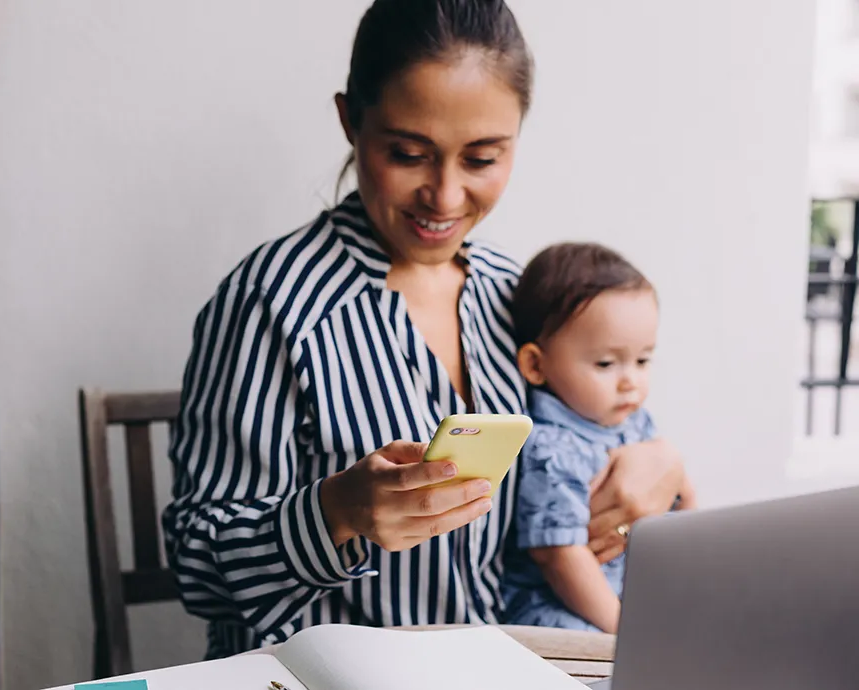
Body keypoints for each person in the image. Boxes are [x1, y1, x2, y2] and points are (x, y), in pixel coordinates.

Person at [162, 0, 688, 659]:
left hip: (494, 662)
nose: (444, 197)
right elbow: (194, 566)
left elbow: (600, 417)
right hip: (315, 674)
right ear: (350, 120)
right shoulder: (270, 302)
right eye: (409, 154)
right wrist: (335, 514)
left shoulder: (514, 290)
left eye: (481, 159)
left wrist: (657, 458)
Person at [502, 243, 697, 633]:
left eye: (643, 360)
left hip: (628, 595)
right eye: (606, 363)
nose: (631, 381)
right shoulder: (550, 449)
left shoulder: (634, 422)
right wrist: (624, 632)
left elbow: (684, 497)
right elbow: (559, 557)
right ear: (536, 365)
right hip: (564, 608)